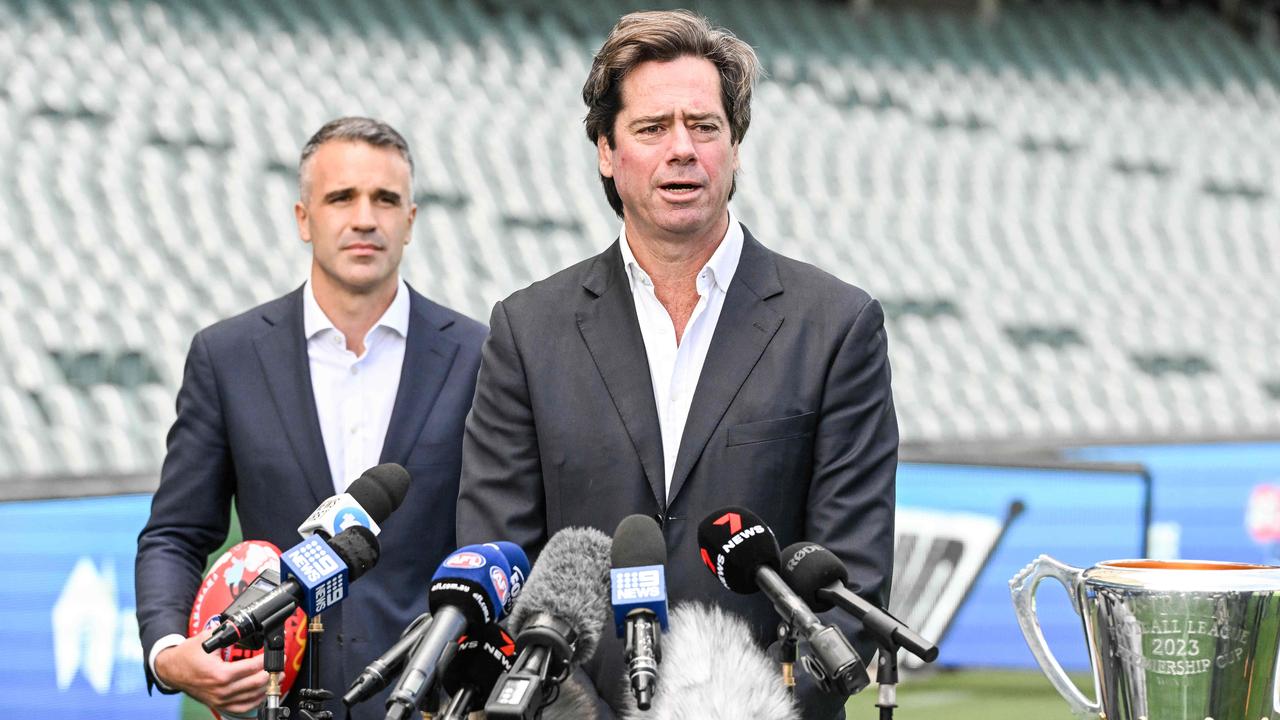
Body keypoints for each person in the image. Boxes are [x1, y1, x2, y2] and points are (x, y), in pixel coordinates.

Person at [456, 10, 897, 720]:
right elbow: (500, 564)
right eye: (652, 128)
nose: (682, 149)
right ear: (606, 150)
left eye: (705, 126)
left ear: (735, 147)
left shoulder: (837, 324)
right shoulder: (526, 330)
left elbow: (854, 579)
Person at [135, 117, 486, 720]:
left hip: (431, 703)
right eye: (341, 197)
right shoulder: (228, 357)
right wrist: (169, 652)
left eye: (385, 199)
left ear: (411, 221)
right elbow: (175, 534)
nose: (365, 218)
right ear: (304, 217)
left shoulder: (480, 356)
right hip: (274, 699)